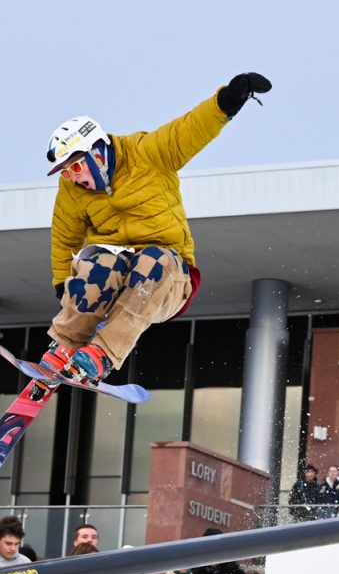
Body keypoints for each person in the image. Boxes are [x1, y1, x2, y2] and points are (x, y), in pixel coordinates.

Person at [33, 73, 273, 395]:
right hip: (115, 274)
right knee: (96, 261)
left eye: (75, 167)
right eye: (65, 171)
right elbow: (65, 237)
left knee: (151, 260)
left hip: (169, 279)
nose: (72, 177)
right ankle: (63, 348)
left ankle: (102, 355)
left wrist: (227, 101)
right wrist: (63, 283)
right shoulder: (72, 189)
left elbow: (189, 130)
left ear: (97, 153)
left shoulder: (149, 153)